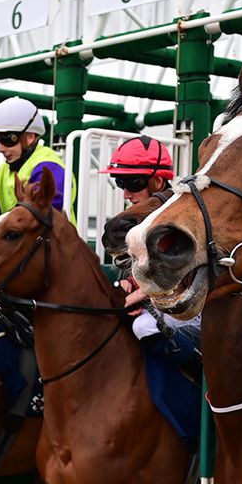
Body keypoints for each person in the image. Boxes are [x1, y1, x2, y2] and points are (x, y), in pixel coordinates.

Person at [102, 135, 201, 381]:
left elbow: (177, 275)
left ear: (157, 181)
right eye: (120, 182)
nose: (126, 193)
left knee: (144, 327)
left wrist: (137, 296)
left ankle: (201, 380)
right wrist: (128, 284)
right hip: (162, 303)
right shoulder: (137, 217)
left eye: (132, 183)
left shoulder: (180, 215)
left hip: (195, 307)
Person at [0, 97, 75, 237]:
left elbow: (38, 218)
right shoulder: (2, 171)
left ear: (30, 137)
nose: (1, 148)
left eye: (7, 140)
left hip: (57, 246)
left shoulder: (49, 168)